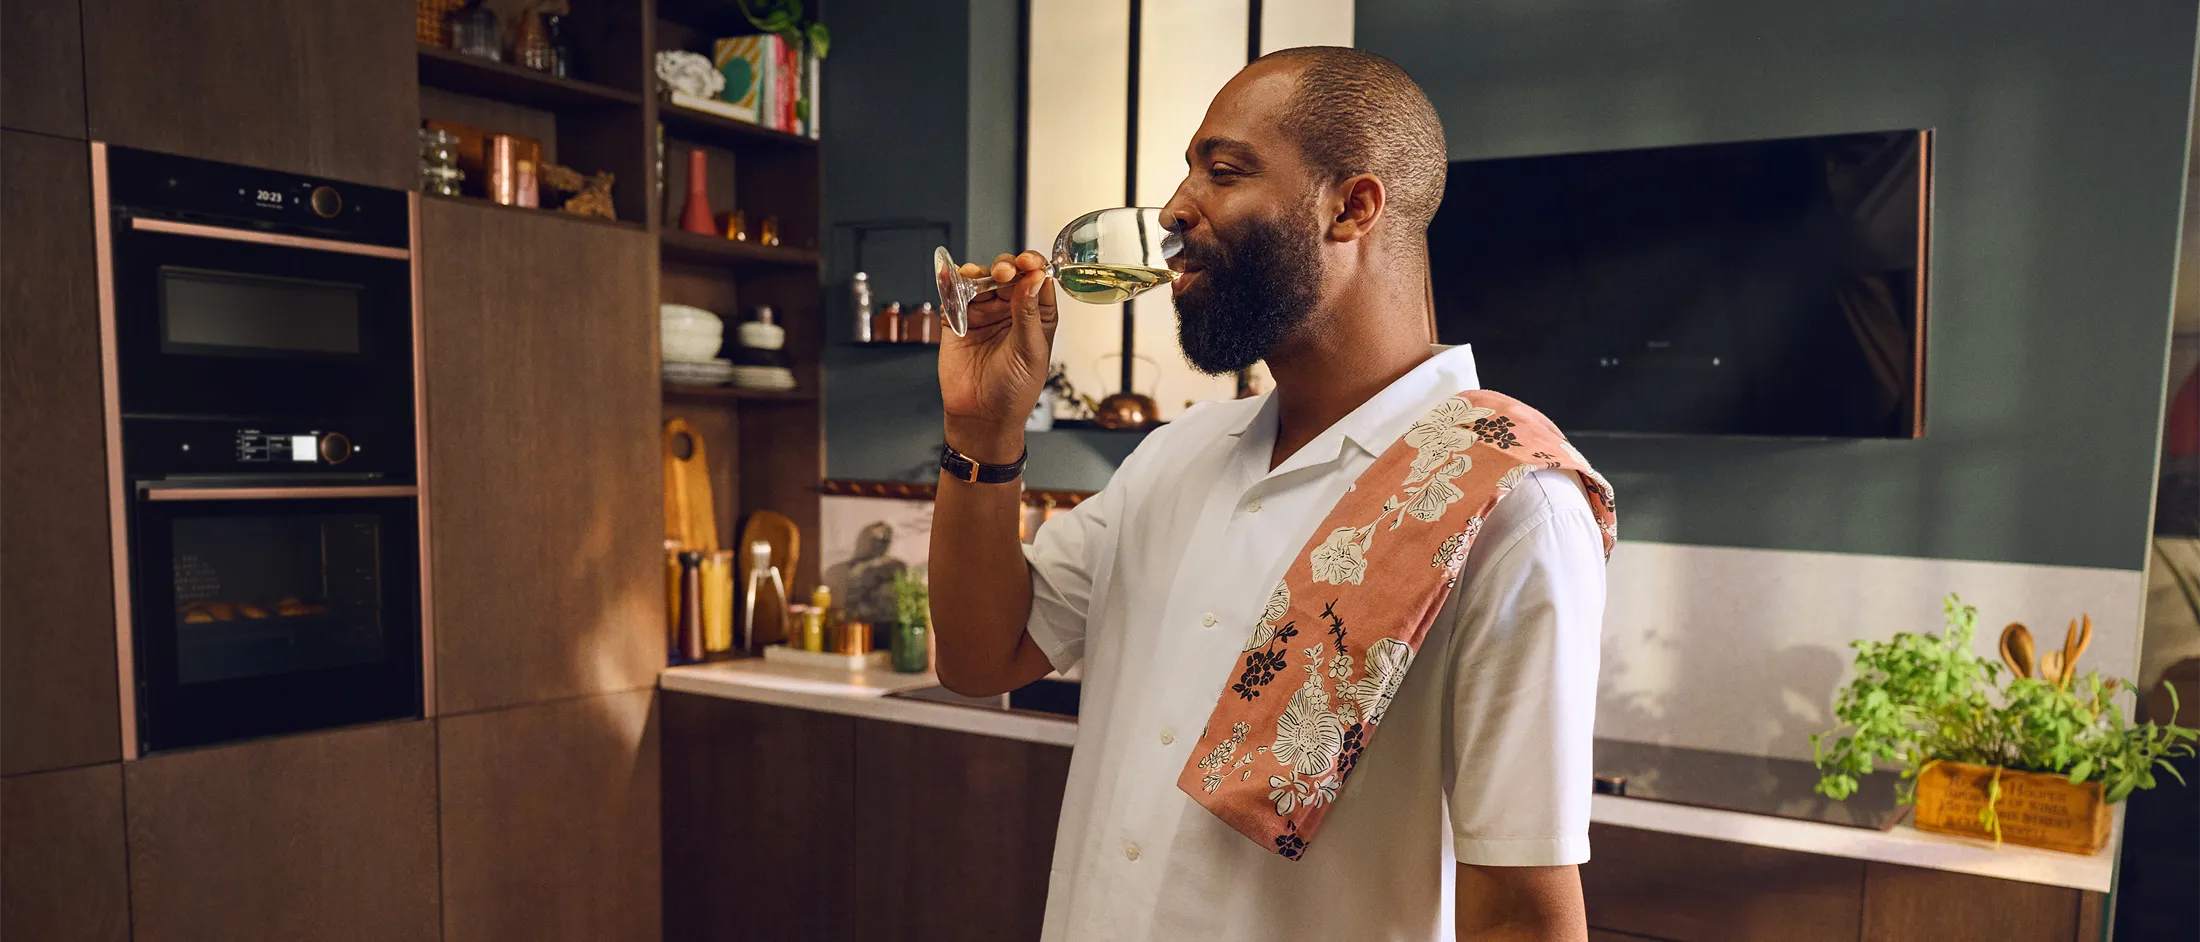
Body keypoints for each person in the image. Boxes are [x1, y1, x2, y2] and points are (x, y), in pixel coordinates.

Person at [930, 46, 1607, 941]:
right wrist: (984, 435)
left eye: (1225, 170)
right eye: (1187, 173)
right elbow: (982, 657)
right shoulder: (1179, 454)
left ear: (1352, 206)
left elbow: (1522, 914)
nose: (1176, 208)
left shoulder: (1510, 504)